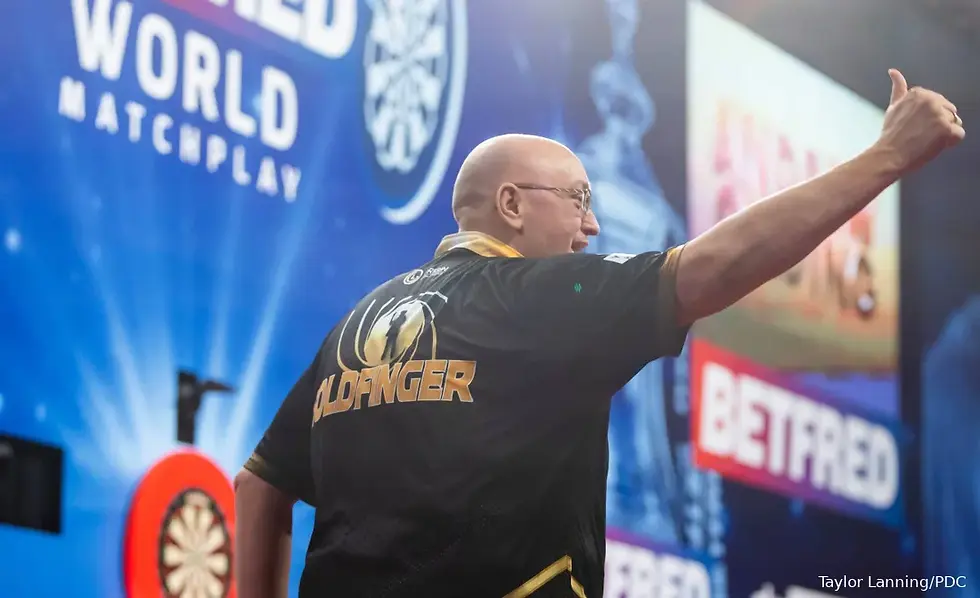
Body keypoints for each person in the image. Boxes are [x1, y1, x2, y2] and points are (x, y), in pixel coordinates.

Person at [234, 70, 963, 598]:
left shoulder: (354, 327)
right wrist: (885, 159)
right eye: (579, 200)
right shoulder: (538, 297)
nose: (591, 226)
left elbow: (259, 483)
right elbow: (715, 265)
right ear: (511, 206)